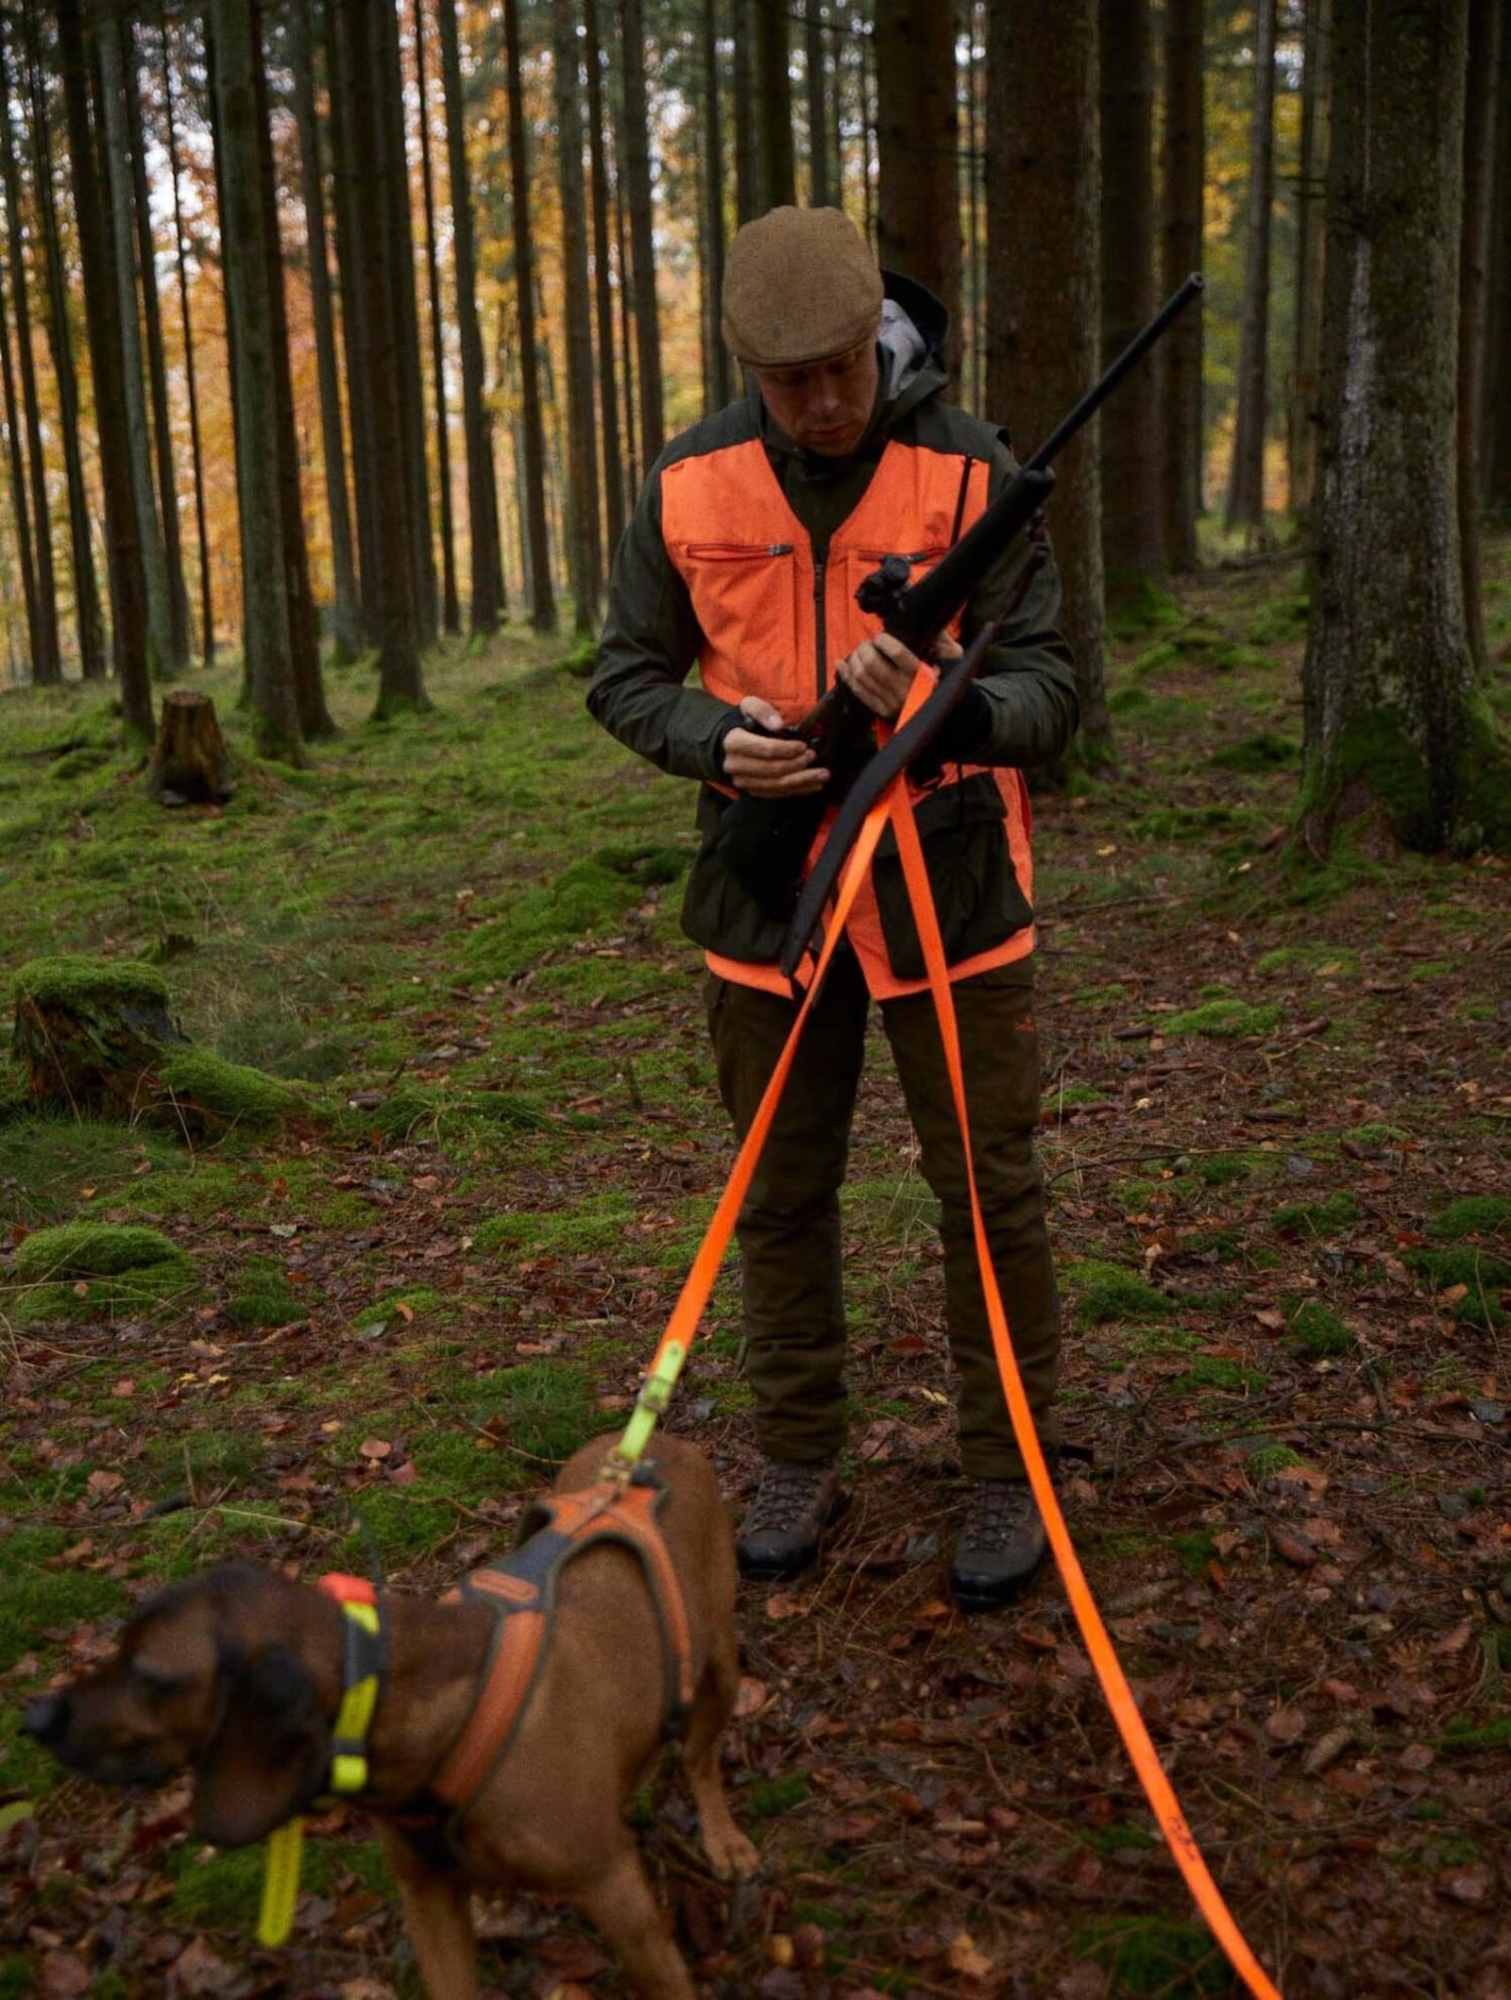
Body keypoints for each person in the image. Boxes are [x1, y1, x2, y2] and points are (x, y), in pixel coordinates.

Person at [588, 206, 1079, 1610]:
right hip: (771, 891)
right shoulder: (687, 482)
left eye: (840, 372)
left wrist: (943, 709)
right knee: (780, 1198)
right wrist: (710, 740)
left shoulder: (973, 470)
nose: (816, 403)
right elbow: (623, 674)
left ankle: (1006, 1470)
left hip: (948, 886)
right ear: (745, 359)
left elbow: (1050, 696)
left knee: (987, 1190)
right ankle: (799, 1454)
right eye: (783, 377)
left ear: (881, 334)